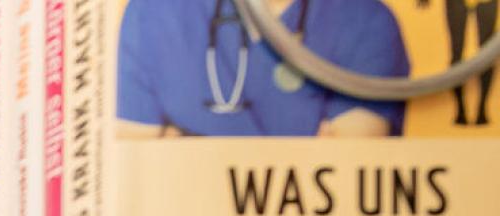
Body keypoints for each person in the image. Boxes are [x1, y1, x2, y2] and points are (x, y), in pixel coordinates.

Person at [118, 0, 411, 135]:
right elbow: (139, 177)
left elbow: (343, 181)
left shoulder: (366, 21)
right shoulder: (153, 13)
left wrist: (184, 145)